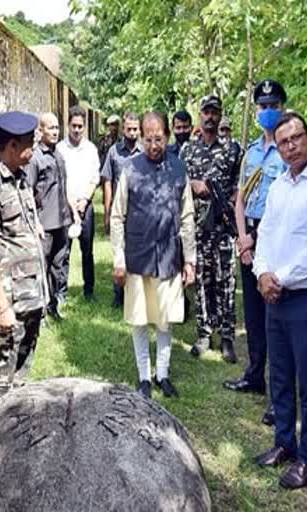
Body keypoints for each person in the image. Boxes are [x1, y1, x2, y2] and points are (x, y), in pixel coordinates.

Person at [251, 112, 307, 489]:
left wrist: (279, 279)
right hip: (273, 295)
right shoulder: (278, 186)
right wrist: (260, 273)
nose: (290, 145)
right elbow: (266, 233)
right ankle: (283, 444)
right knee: (280, 376)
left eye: (296, 138)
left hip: (305, 298)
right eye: (283, 140)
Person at [110, 112, 196, 399]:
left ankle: (163, 374)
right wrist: (119, 259)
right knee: (139, 318)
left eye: (158, 138)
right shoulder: (130, 168)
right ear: (141, 138)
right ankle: (144, 377)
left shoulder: (179, 168)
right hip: (138, 257)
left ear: (167, 137)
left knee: (164, 319)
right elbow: (117, 216)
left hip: (169, 257)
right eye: (148, 139)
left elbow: (187, 217)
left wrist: (190, 259)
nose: (153, 145)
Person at [223, 79, 288, 428]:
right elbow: (240, 199)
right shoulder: (251, 151)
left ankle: (280, 399)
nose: (266, 112)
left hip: (273, 241)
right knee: (252, 315)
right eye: (261, 107)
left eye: (272, 106)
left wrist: (255, 239)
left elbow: (288, 207)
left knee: (274, 319)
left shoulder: (287, 150)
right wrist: (242, 236)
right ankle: (254, 375)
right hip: (248, 236)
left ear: (282, 106)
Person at [0, 111, 47, 405]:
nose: (34, 149)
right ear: (12, 146)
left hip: (31, 296)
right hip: (11, 299)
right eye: (30, 143)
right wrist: (2, 306)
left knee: (20, 378)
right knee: (0, 387)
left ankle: (14, 430)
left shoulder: (20, 178)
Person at [179, 95, 241, 363]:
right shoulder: (187, 151)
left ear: (220, 115)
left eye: (215, 112)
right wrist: (193, 185)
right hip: (197, 228)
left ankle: (226, 336)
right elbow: (177, 183)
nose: (210, 117)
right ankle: (203, 333)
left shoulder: (233, 149)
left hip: (224, 228)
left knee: (226, 282)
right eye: (206, 111)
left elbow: (240, 186)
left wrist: (229, 205)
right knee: (201, 281)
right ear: (200, 114)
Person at [26, 113, 72, 320]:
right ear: (40, 131)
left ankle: (53, 306)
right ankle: (39, 312)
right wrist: (35, 221)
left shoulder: (59, 155)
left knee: (57, 267)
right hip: (45, 223)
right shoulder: (36, 159)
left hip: (61, 221)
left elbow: (64, 187)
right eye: (50, 128)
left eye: (56, 128)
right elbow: (28, 192)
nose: (55, 132)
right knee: (41, 268)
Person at [58, 105, 100, 301]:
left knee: (87, 252)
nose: (76, 130)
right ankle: (61, 292)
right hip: (65, 207)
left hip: (86, 206)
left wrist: (85, 200)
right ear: (68, 125)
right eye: (74, 126)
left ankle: (89, 291)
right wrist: (72, 204)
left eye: (80, 126)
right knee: (63, 252)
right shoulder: (59, 149)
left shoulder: (91, 149)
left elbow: (95, 178)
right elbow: (60, 180)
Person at [100, 111, 141, 308]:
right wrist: (107, 212)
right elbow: (107, 182)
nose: (132, 133)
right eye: (129, 129)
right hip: (119, 212)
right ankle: (118, 295)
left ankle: (135, 293)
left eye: (135, 129)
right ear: (123, 129)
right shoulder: (114, 152)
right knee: (119, 252)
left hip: (139, 212)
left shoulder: (145, 152)